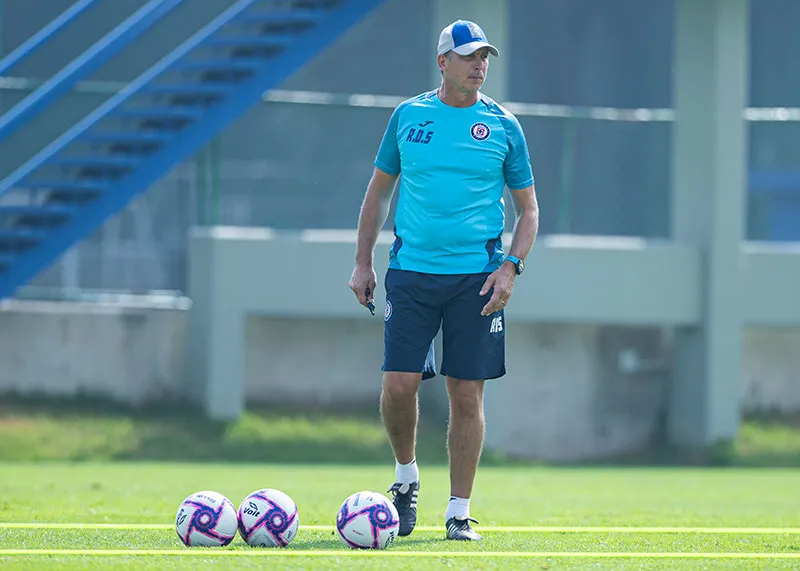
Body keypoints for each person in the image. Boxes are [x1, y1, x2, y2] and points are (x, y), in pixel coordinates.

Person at [348, 19, 539, 541]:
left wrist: (510, 266)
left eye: (485, 58)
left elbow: (528, 211)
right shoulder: (409, 117)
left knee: (466, 394)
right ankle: (406, 478)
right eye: (470, 56)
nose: (480, 65)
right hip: (411, 273)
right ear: (443, 62)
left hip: (477, 279)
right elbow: (378, 193)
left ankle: (458, 511)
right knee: (398, 385)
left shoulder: (504, 126)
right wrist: (363, 263)